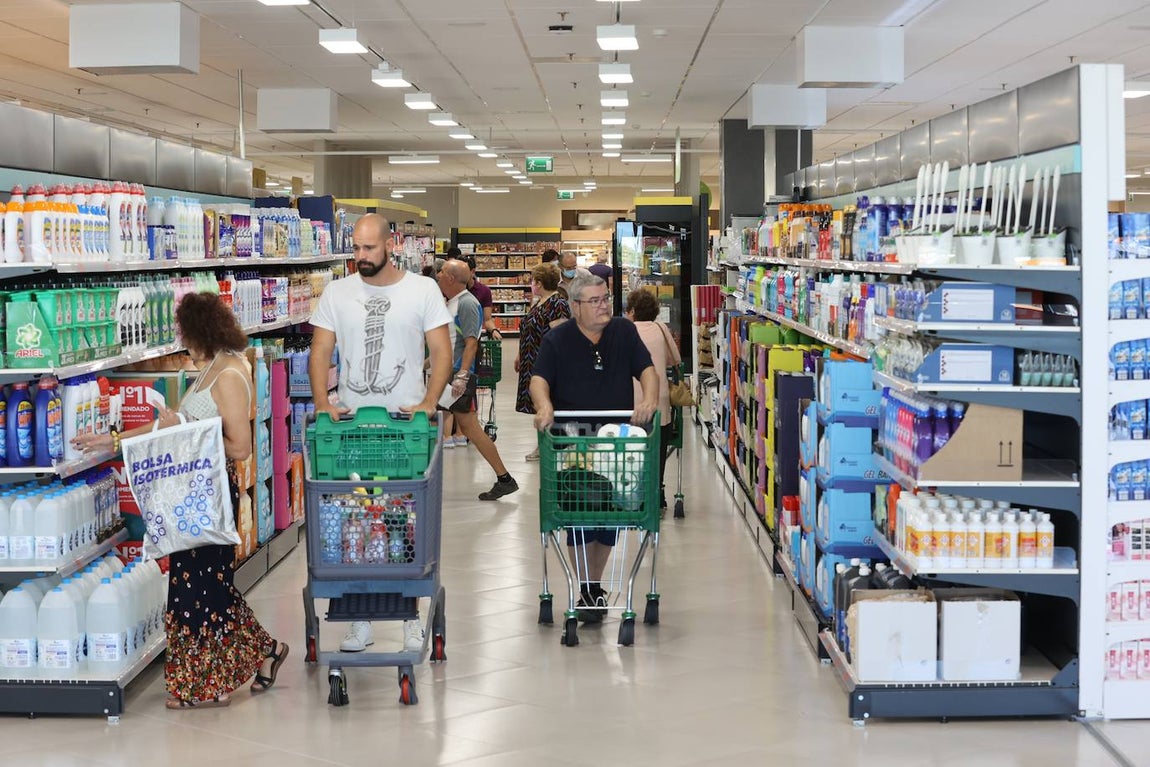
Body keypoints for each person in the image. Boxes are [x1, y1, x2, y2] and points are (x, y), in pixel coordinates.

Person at [75, 292, 289, 710]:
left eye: (183, 330)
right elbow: (169, 424)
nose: (179, 338)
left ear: (200, 329)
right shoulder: (210, 368)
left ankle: (207, 685)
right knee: (205, 585)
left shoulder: (228, 374)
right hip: (192, 493)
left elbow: (241, 447)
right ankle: (264, 652)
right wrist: (114, 440)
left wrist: (188, 433)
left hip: (209, 496)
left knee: (200, 589)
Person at [309, 212, 453, 654]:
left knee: (405, 521)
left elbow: (441, 350)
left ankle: (411, 615)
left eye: (369, 248)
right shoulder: (337, 292)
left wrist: (429, 403)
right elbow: (320, 350)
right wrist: (321, 404)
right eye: (355, 247)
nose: (360, 256)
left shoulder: (422, 290)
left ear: (389, 245)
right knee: (356, 522)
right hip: (353, 431)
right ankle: (361, 618)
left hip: (404, 431)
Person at [530, 273, 659, 620]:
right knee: (581, 515)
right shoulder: (557, 340)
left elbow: (647, 370)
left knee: (610, 519)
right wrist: (544, 406)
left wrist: (649, 399)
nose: (604, 306)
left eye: (606, 299)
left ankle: (591, 585)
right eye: (595, 301)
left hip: (617, 445)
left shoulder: (624, 331)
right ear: (575, 307)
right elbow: (539, 380)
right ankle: (588, 588)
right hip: (574, 445)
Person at [437, 259, 521, 500]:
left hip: (455, 376)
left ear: (451, 278)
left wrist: (462, 375)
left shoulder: (467, 303)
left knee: (471, 428)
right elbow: (450, 340)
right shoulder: (451, 302)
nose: (438, 275)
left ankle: (504, 478)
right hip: (445, 374)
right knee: (445, 424)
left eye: (442, 272)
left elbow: (471, 342)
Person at [625, 289, 682, 511]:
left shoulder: (624, 331)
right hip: (659, 401)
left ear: (632, 311)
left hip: (631, 401)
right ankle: (657, 496)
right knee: (657, 451)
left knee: (633, 452)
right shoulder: (661, 328)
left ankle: (634, 497)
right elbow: (674, 359)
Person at [514, 262, 570, 461]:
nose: (531, 284)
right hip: (532, 361)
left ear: (539, 282)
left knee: (546, 403)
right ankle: (544, 443)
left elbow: (561, 336)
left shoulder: (557, 303)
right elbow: (529, 330)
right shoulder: (539, 302)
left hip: (546, 363)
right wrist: (520, 355)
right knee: (538, 404)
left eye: (533, 280)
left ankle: (549, 444)